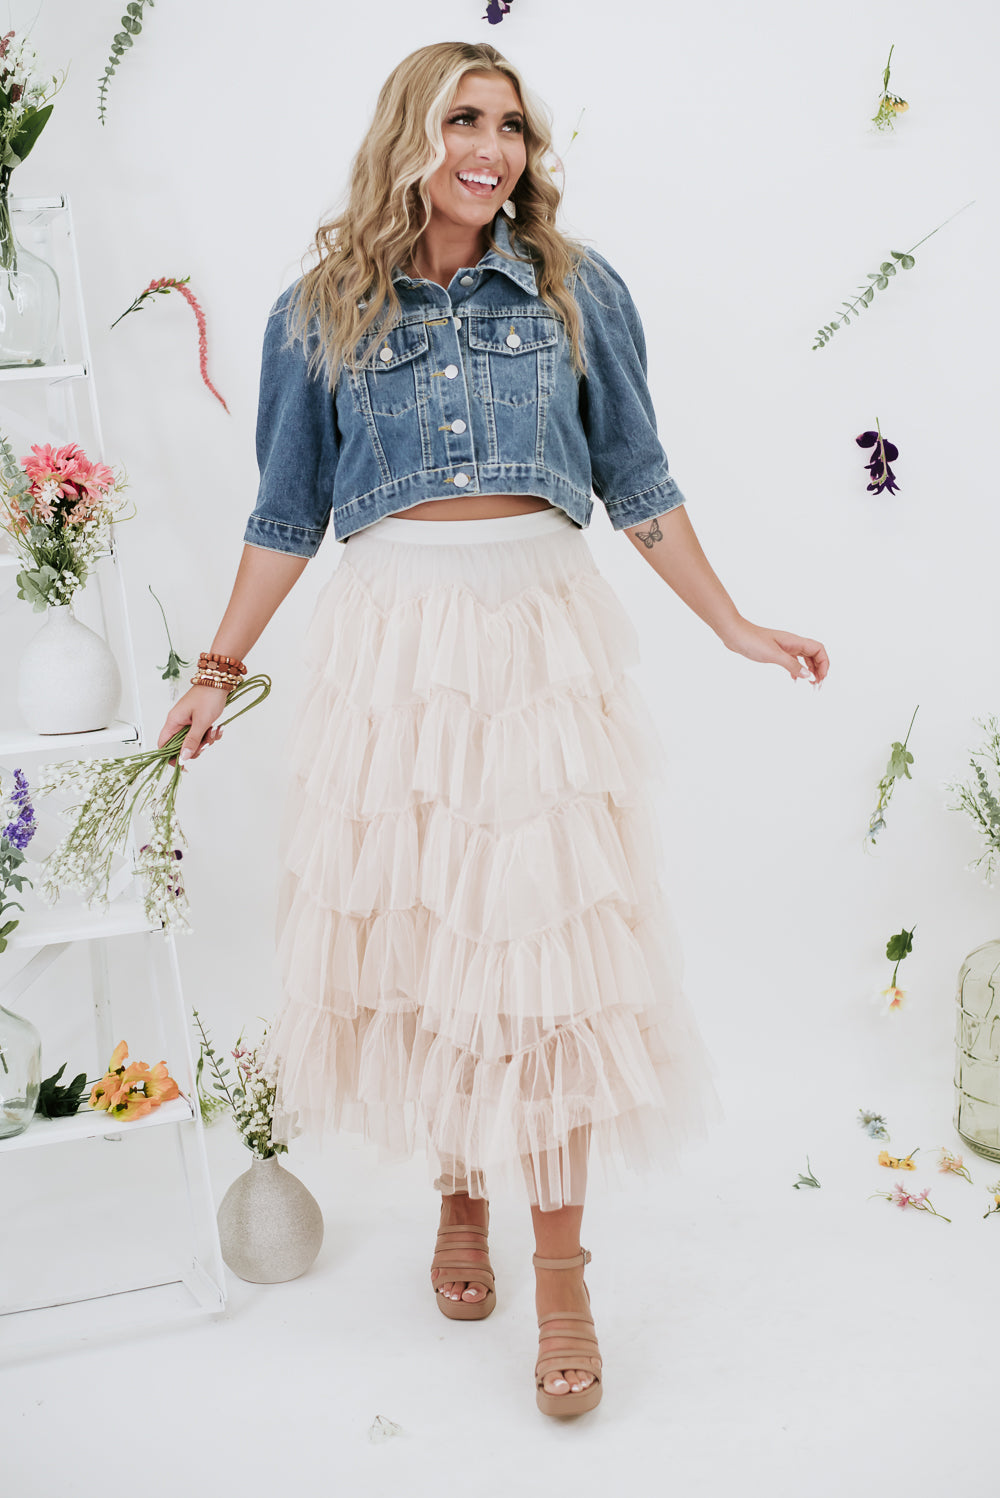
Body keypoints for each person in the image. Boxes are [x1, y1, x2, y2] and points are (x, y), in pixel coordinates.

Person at [158, 40, 828, 1419]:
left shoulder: (579, 289)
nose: (491, 148)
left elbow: (638, 479)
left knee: (546, 954)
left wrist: (733, 623)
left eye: (510, 125)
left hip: (535, 634)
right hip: (396, 640)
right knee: (430, 933)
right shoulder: (319, 311)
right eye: (464, 119)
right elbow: (286, 514)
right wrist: (217, 669)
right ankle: (459, 1194)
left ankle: (563, 1273)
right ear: (410, 133)